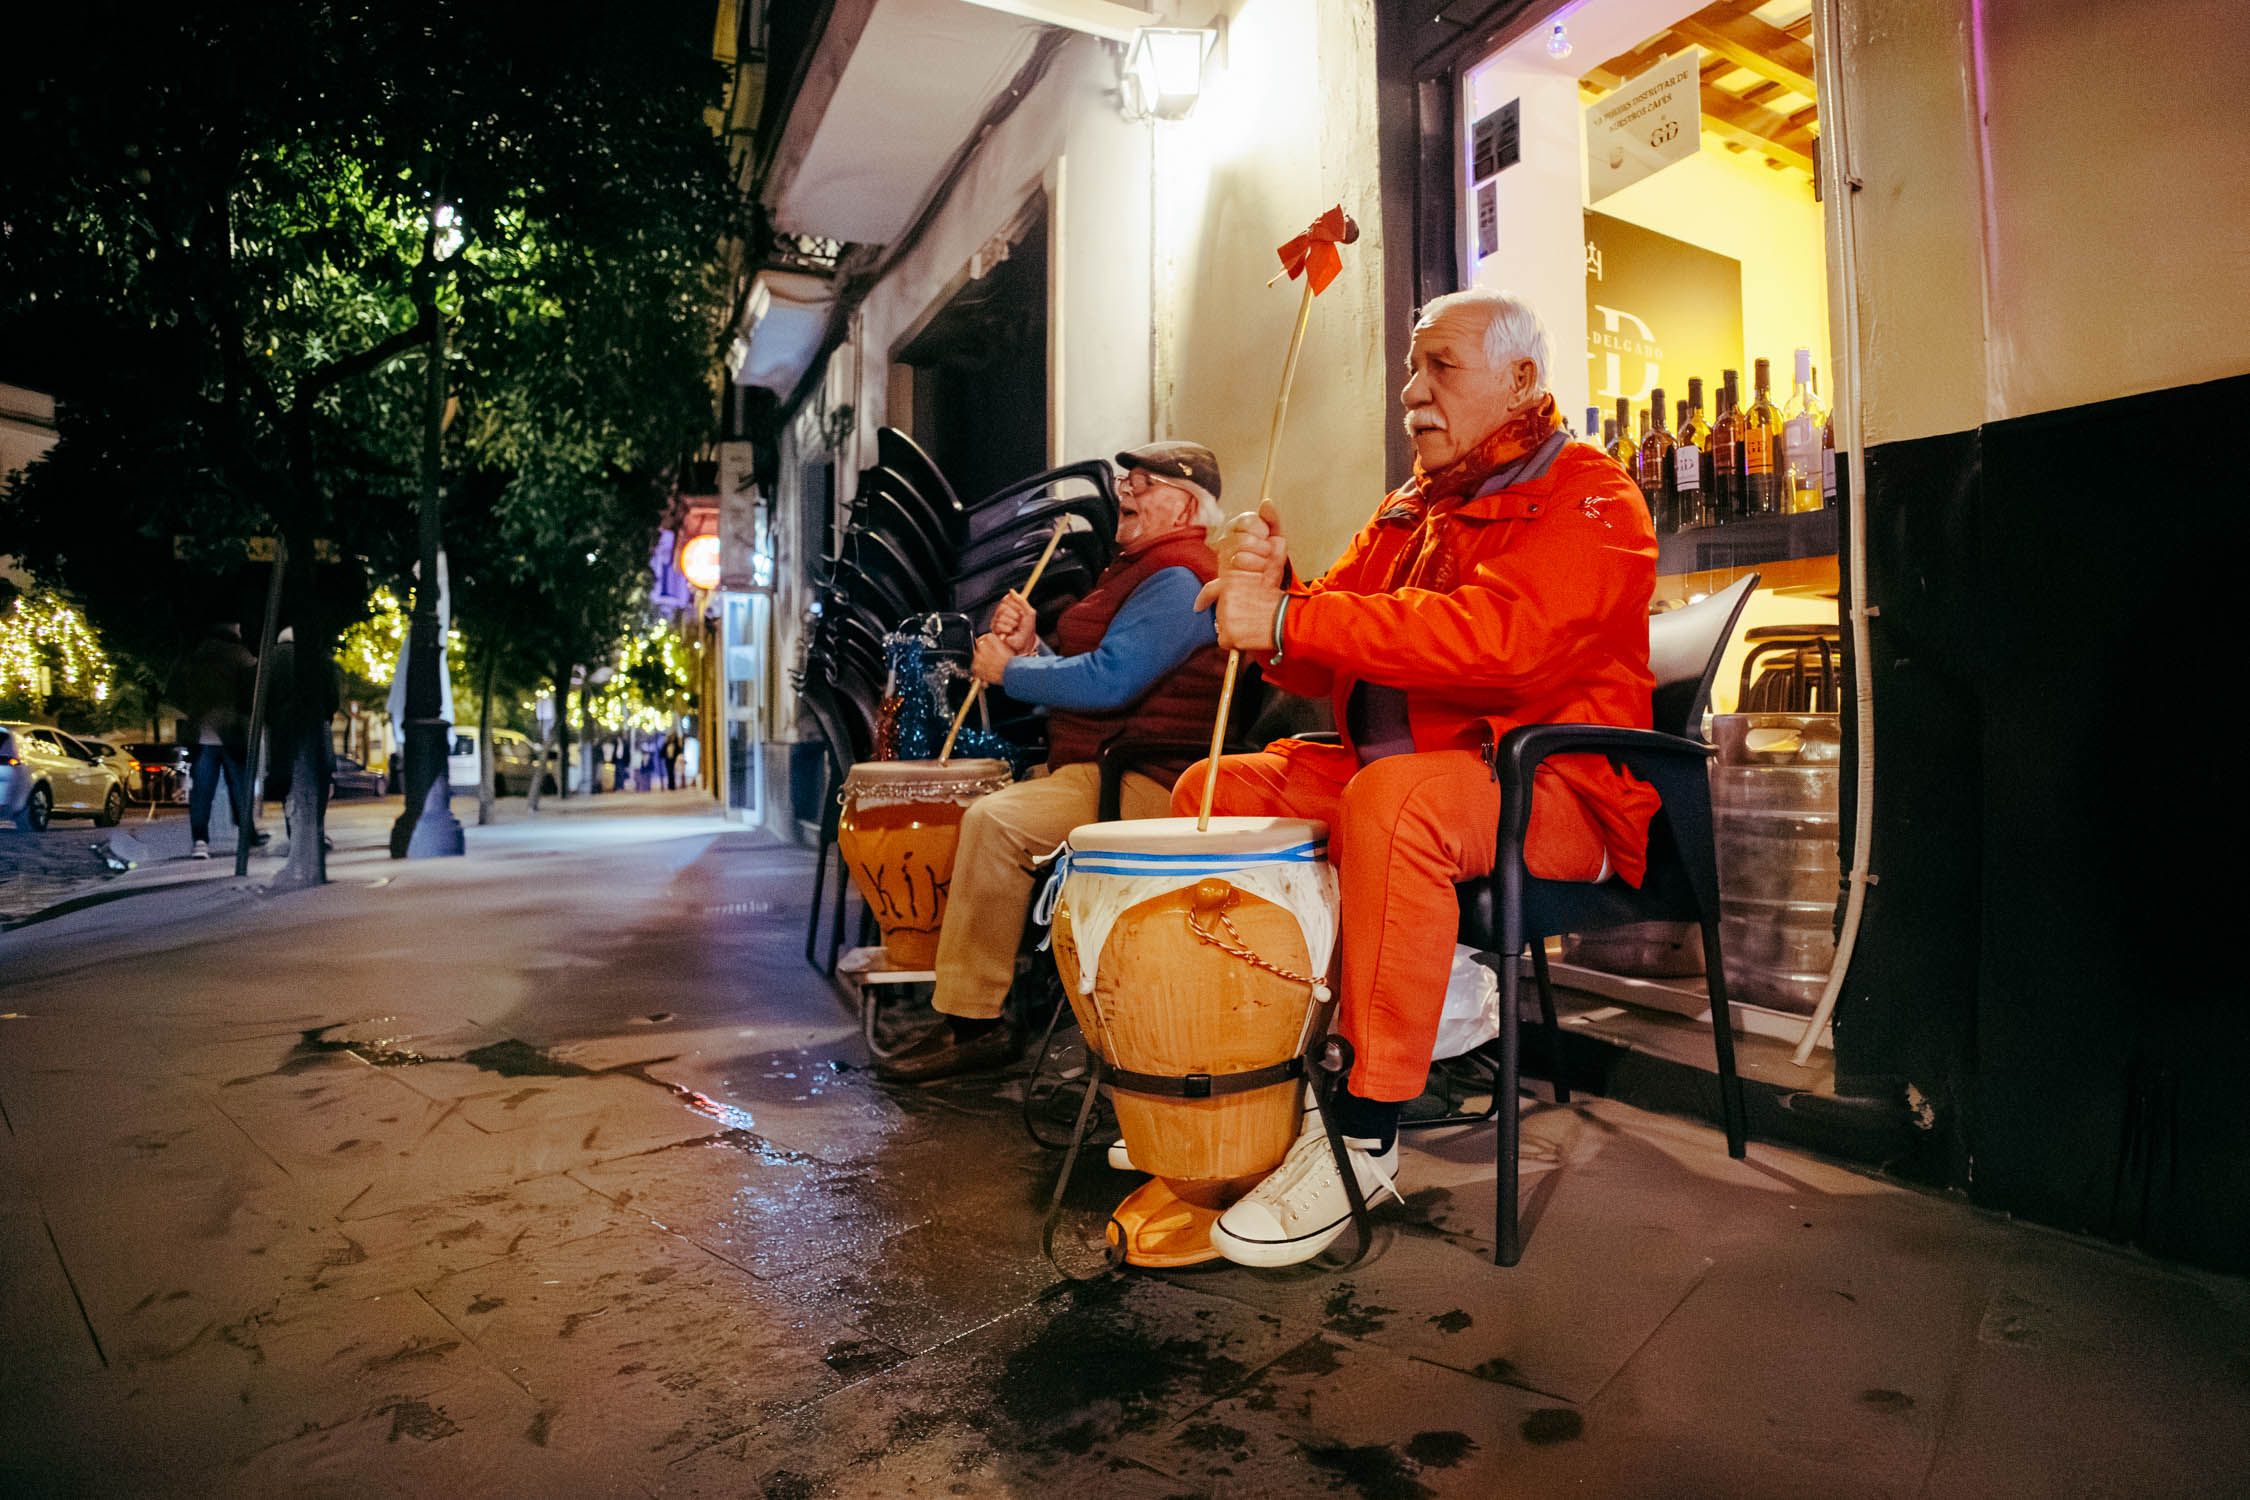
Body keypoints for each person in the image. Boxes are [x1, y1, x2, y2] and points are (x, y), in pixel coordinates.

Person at [1177, 288, 1661, 1266]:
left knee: (1393, 806)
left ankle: (1363, 1129)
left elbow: (1502, 643)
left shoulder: (1594, 495)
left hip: (1550, 789)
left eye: (1440, 366)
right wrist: (1274, 597)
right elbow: (1317, 652)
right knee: (1210, 793)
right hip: (1400, 772)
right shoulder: (1413, 506)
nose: (1411, 391)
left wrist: (1291, 617)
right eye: (1410, 368)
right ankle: (1252, 1078)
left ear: (1520, 380)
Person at [876, 441, 1231, 1083]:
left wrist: (1012, 671)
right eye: (1126, 479)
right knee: (983, 811)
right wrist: (1032, 647)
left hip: (1146, 782)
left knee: (995, 823)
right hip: (1101, 766)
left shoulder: (1179, 580)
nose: (1125, 490)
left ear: (1184, 506)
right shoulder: (1142, 570)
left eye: (1144, 483)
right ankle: (985, 1005)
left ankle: (976, 1025)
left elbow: (1109, 681)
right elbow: (1099, 670)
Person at [177, 620, 259, 859]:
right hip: (232, 731)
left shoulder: (195, 657)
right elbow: (252, 693)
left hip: (203, 732)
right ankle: (247, 835)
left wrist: (195, 712)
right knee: (240, 788)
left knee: (202, 791)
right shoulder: (240, 656)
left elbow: (177, 692)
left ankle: (200, 841)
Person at [263, 627, 341, 851]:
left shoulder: (272, 659)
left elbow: (264, 699)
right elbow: (332, 696)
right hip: (316, 723)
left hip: (283, 727)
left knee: (288, 781)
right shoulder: (320, 656)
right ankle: (316, 830)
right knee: (319, 779)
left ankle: (295, 832)